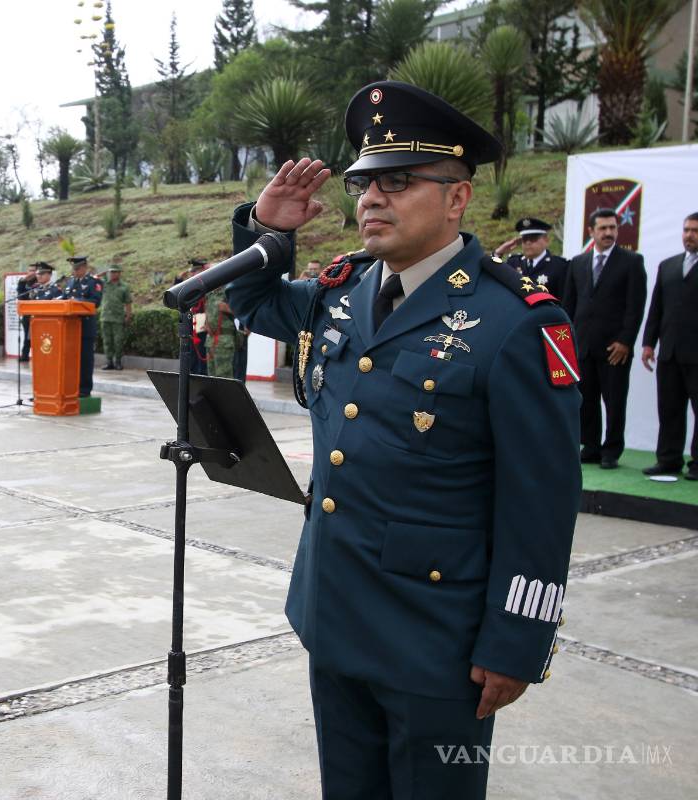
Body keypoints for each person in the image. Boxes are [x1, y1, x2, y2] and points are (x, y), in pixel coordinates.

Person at [226, 81, 580, 799]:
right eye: (363, 184)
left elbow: (541, 506)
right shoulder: (342, 290)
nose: (371, 200)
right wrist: (268, 227)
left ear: (456, 199)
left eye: (398, 182)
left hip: (436, 642)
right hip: (333, 613)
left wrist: (516, 642)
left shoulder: (516, 323)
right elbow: (255, 303)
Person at [562, 208, 648, 469]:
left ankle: (611, 450)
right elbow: (568, 305)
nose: (609, 232)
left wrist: (625, 341)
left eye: (612, 227)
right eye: (603, 228)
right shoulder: (578, 263)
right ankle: (591, 446)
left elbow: (636, 306)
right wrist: (568, 342)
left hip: (615, 347)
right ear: (591, 232)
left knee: (614, 400)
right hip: (583, 345)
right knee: (585, 399)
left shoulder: (632, 261)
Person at [640, 212, 698, 479]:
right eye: (686, 230)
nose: (689, 235)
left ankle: (696, 464)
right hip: (670, 352)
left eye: (695, 231)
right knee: (669, 409)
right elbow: (657, 308)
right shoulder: (669, 265)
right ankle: (668, 459)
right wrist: (649, 343)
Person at [492, 217, 569, 298]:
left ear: (546, 240)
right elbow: (492, 277)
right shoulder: (513, 262)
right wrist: (498, 253)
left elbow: (565, 299)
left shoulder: (559, 266)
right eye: (524, 239)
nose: (528, 243)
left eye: (533, 238)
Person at [62, 255, 102, 396]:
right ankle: (72, 387)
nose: (74, 271)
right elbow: (64, 299)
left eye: (77, 268)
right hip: (70, 328)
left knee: (85, 361)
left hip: (85, 328)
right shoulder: (70, 282)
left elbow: (95, 301)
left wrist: (77, 301)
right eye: (73, 268)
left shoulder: (94, 282)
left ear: (84, 267)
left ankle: (84, 390)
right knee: (71, 360)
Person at [205, 284, 249, 381]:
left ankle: (227, 396)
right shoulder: (210, 295)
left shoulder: (229, 292)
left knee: (224, 376)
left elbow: (244, 309)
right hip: (210, 340)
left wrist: (228, 308)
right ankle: (214, 396)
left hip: (224, 341)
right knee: (211, 376)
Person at [99, 265, 133, 370]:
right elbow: (94, 278)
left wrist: (128, 315)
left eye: (115, 272)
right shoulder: (104, 284)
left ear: (119, 273)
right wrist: (102, 273)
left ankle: (118, 362)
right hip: (105, 317)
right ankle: (109, 362)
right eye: (111, 272)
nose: (113, 274)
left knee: (118, 341)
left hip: (118, 317)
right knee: (107, 341)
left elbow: (128, 303)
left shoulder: (124, 286)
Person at [187, 259, 210, 376]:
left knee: (201, 350)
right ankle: (193, 374)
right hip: (194, 321)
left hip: (203, 321)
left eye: (195, 271)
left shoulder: (206, 283)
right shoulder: (192, 285)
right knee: (192, 351)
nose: (192, 274)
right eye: (192, 272)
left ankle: (201, 374)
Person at [16, 263, 39, 362]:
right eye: (30, 270)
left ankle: (37, 356)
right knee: (27, 335)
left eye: (34, 270)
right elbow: (20, 296)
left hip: (38, 313)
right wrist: (23, 281)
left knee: (38, 336)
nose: (31, 273)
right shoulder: (24, 283)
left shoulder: (40, 282)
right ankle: (25, 355)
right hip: (27, 313)